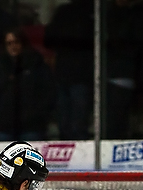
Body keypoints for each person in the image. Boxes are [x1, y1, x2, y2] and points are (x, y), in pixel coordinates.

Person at [0, 28, 56, 141]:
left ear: (22, 43)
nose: (13, 46)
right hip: (5, 127)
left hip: (31, 127)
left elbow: (48, 92)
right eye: (9, 43)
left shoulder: (36, 64)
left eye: (16, 42)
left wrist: (38, 116)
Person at [43, 0, 94, 140]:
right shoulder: (63, 12)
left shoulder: (93, 11)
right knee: (65, 123)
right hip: (63, 74)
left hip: (81, 75)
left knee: (77, 124)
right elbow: (48, 40)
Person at [104, 0, 143, 139]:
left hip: (124, 74)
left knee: (119, 120)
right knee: (111, 120)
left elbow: (135, 46)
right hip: (108, 74)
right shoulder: (106, 14)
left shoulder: (136, 16)